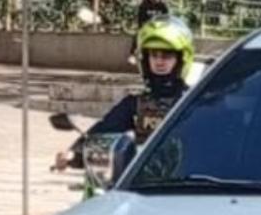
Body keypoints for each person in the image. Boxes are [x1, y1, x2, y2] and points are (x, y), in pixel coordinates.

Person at [53, 15, 195, 171]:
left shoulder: (194, 101)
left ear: (182, 58)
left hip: (188, 181)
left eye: (167, 55)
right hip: (142, 181)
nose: (159, 61)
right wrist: (74, 154)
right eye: (154, 55)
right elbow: (103, 132)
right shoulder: (135, 104)